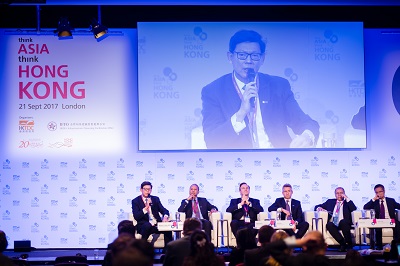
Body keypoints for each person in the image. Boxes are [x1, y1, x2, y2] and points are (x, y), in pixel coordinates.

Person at [201, 29, 320, 149]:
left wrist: (307, 137)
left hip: (277, 161)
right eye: (242, 55)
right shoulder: (213, 91)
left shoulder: (278, 86)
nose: (248, 61)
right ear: (230, 57)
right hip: (238, 163)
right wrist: (240, 114)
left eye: (255, 56)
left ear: (262, 59)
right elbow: (212, 141)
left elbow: (306, 123)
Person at [314, 187, 357, 252]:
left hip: (344, 224)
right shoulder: (330, 202)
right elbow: (316, 206)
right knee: (329, 224)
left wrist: (346, 198)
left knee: (343, 222)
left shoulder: (347, 203)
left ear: (344, 194)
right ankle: (343, 244)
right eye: (337, 193)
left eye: (341, 193)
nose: (339, 195)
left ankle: (349, 243)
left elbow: (353, 209)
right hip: (333, 223)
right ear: (335, 194)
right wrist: (319, 208)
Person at [132, 181, 173, 247]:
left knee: (167, 228)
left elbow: (164, 210)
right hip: (143, 225)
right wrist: (146, 208)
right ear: (141, 190)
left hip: (156, 225)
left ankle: (167, 252)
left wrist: (165, 217)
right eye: (145, 189)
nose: (147, 191)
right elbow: (136, 216)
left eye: (149, 189)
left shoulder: (155, 199)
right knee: (147, 225)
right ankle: (142, 249)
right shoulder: (135, 201)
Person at [363, 184, 400, 250]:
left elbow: (398, 206)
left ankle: (396, 244)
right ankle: (379, 246)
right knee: (378, 227)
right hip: (380, 221)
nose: (379, 194)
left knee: (398, 224)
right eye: (377, 192)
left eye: (380, 191)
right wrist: (374, 199)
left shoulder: (391, 200)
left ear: (384, 191)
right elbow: (365, 207)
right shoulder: (375, 202)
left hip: (391, 220)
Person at [263, 230, 330, 266]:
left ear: (304, 246)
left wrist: (300, 241)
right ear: (325, 246)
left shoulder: (299, 261)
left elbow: (271, 246)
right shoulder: (332, 264)